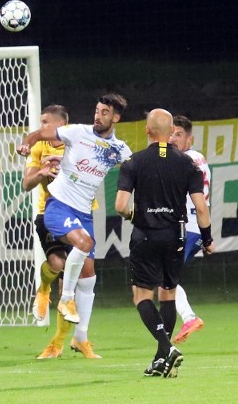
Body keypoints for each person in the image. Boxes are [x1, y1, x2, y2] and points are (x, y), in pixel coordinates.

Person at [115, 108, 214, 378]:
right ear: (171, 133)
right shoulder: (187, 164)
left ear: (147, 131)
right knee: (168, 293)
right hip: (177, 235)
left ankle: (166, 347)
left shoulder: (134, 162)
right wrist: (207, 240)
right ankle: (162, 359)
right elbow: (201, 209)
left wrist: (140, 215)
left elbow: (121, 206)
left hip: (145, 235)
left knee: (141, 295)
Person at [17, 94, 132, 327]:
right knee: (68, 257)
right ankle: (62, 298)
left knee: (87, 272)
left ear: (116, 118)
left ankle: (80, 338)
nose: (98, 116)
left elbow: (137, 169)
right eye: (97, 111)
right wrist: (27, 145)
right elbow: (38, 136)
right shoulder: (77, 132)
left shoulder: (119, 148)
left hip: (84, 213)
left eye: (104, 113)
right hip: (57, 206)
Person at [23, 105, 100, 359]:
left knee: (85, 275)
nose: (40, 125)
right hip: (50, 214)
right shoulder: (38, 147)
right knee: (58, 263)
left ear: (59, 125)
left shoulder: (78, 144)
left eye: (45, 121)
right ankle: (44, 287)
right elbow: (26, 184)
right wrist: (42, 173)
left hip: (82, 213)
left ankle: (67, 341)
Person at [169, 115, 210, 343]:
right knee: (165, 276)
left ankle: (189, 317)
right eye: (171, 133)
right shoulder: (194, 158)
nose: (173, 138)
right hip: (192, 227)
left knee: (163, 276)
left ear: (189, 139)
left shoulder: (187, 159)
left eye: (179, 134)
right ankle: (184, 319)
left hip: (188, 228)